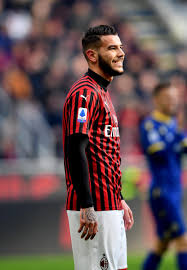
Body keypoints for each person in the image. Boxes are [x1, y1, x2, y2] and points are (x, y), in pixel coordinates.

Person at [62, 25, 134, 270]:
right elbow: (75, 148)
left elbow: (103, 153)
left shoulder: (102, 92)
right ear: (92, 55)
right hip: (95, 209)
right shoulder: (84, 93)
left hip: (109, 204)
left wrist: (119, 198)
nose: (121, 52)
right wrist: (87, 206)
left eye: (121, 47)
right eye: (112, 47)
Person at [140, 82, 187, 270]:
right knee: (183, 240)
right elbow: (158, 153)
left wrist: (178, 137)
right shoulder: (150, 124)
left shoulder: (174, 123)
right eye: (168, 99)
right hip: (162, 191)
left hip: (175, 190)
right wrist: (176, 137)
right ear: (156, 100)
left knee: (162, 243)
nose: (172, 103)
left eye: (175, 99)